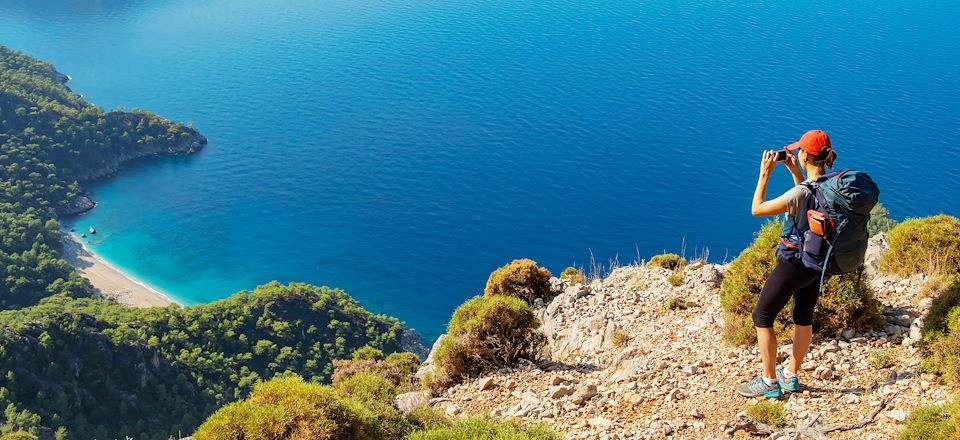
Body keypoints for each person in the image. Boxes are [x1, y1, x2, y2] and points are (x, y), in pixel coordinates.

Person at [734, 129, 838, 398]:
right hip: (818, 262)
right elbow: (808, 194)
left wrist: (764, 172)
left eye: (799, 151)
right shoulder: (831, 184)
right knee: (803, 316)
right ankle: (790, 375)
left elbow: (757, 209)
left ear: (804, 154)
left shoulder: (801, 193)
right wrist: (795, 171)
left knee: (762, 316)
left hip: (794, 262)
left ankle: (769, 381)